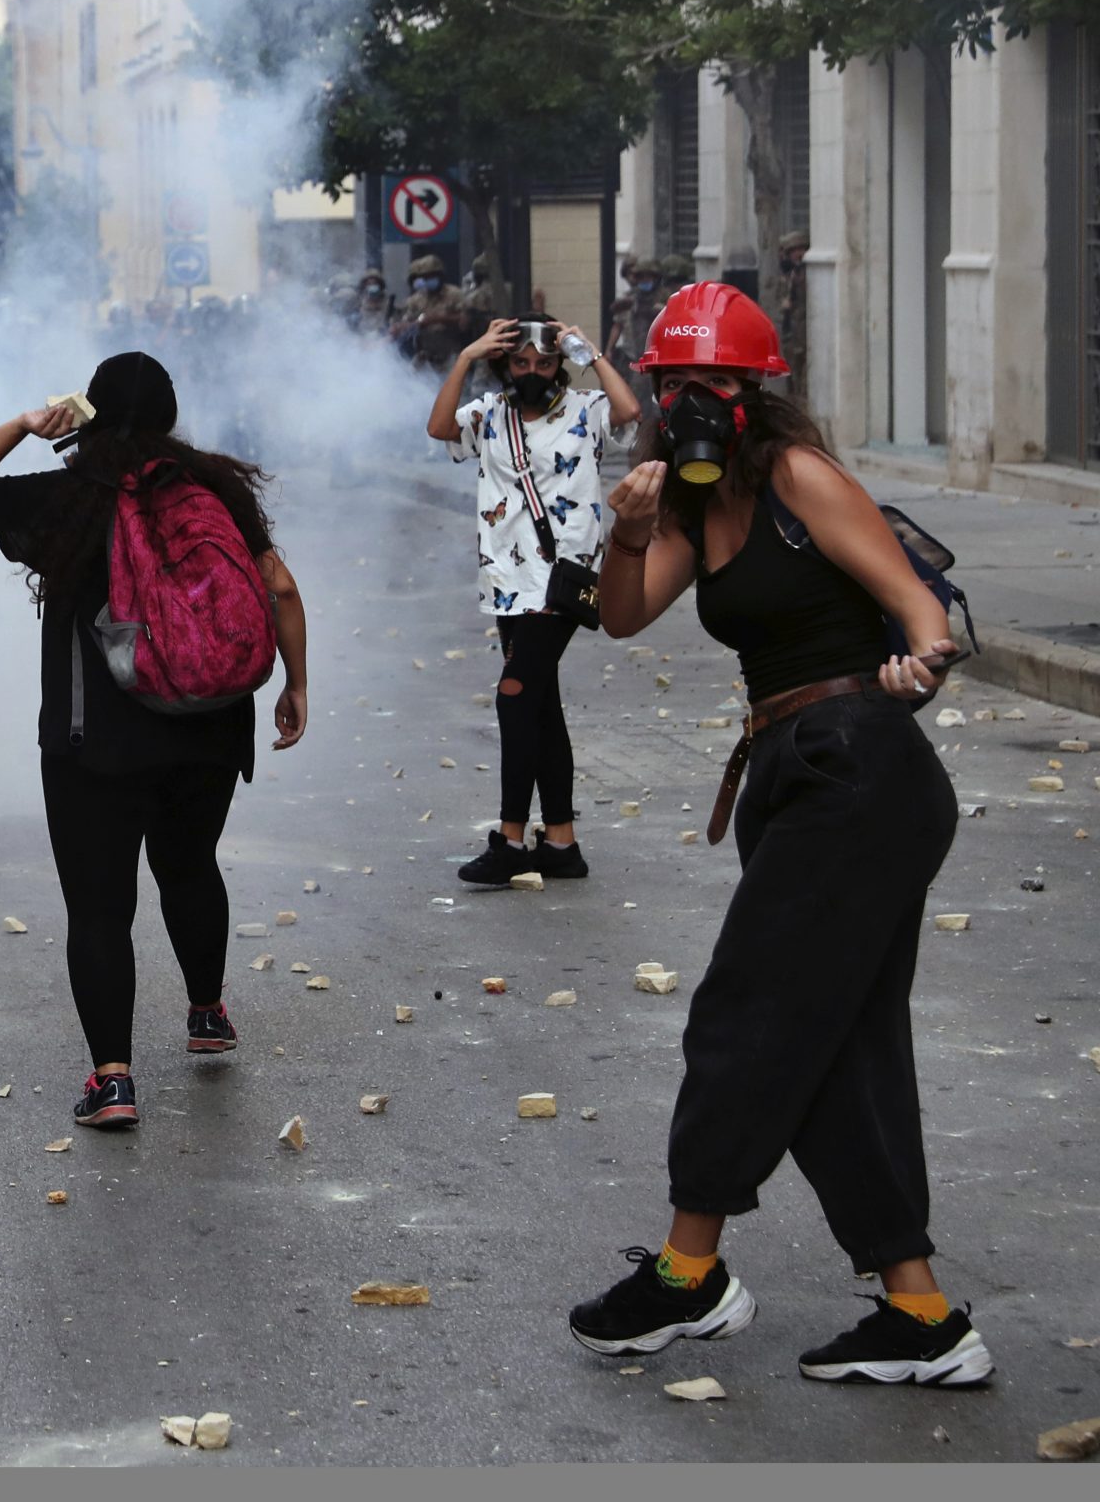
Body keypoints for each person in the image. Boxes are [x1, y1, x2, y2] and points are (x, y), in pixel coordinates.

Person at [567, 282, 994, 1389]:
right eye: (675, 382)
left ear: (758, 392)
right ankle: (921, 1314)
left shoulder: (801, 479)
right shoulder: (692, 507)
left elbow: (920, 611)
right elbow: (620, 617)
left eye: (717, 382)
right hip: (795, 773)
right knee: (839, 1046)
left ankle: (687, 1272)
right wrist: (624, 531)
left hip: (858, 763)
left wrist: (918, 667)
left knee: (745, 1018)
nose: (694, 400)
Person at [0, 352, 309, 1130]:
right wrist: (296, 684)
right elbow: (280, 586)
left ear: (89, 415)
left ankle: (114, 1081)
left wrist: (25, 425)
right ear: (170, 416)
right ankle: (206, 1013)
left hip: (93, 740)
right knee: (191, 865)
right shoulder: (214, 491)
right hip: (209, 724)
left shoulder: (69, 498)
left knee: (100, 906)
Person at [426, 312, 642, 883]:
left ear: (558, 365)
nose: (532, 372)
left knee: (515, 697)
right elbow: (440, 428)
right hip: (505, 581)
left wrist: (588, 351)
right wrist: (468, 355)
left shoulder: (585, 409)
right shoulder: (490, 415)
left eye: (543, 363)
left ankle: (511, 841)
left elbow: (630, 413)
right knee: (542, 705)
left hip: (562, 578)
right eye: (520, 362)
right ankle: (562, 844)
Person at [391, 254, 469, 368]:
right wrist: (408, 325)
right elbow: (405, 323)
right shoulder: (416, 300)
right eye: (424, 277)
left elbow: (465, 321)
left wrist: (437, 319)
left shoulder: (455, 294)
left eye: (431, 276)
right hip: (424, 356)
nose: (428, 280)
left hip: (450, 355)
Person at [774, 229, 810, 375]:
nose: (798, 254)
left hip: (805, 331)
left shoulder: (806, 273)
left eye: (801, 249)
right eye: (794, 250)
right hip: (791, 334)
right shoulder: (786, 277)